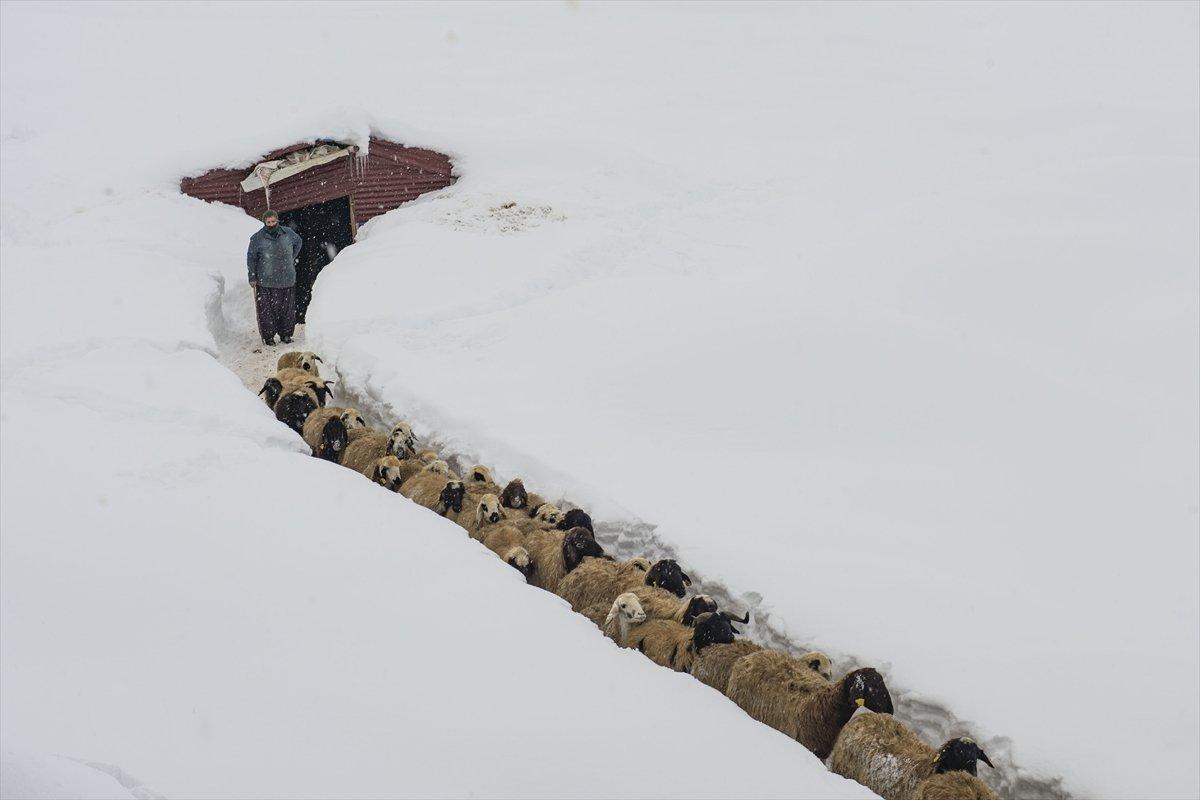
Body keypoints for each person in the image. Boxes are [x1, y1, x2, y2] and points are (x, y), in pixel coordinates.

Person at [246, 209, 303, 346]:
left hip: (287, 278)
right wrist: (252, 276)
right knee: (267, 311)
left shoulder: (288, 233)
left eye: (273, 221)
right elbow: (251, 257)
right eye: (268, 222)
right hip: (266, 281)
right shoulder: (257, 238)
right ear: (264, 222)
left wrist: (291, 258)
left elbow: (298, 242)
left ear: (277, 220)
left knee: (287, 310)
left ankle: (286, 334)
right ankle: (269, 336)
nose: (271, 224)